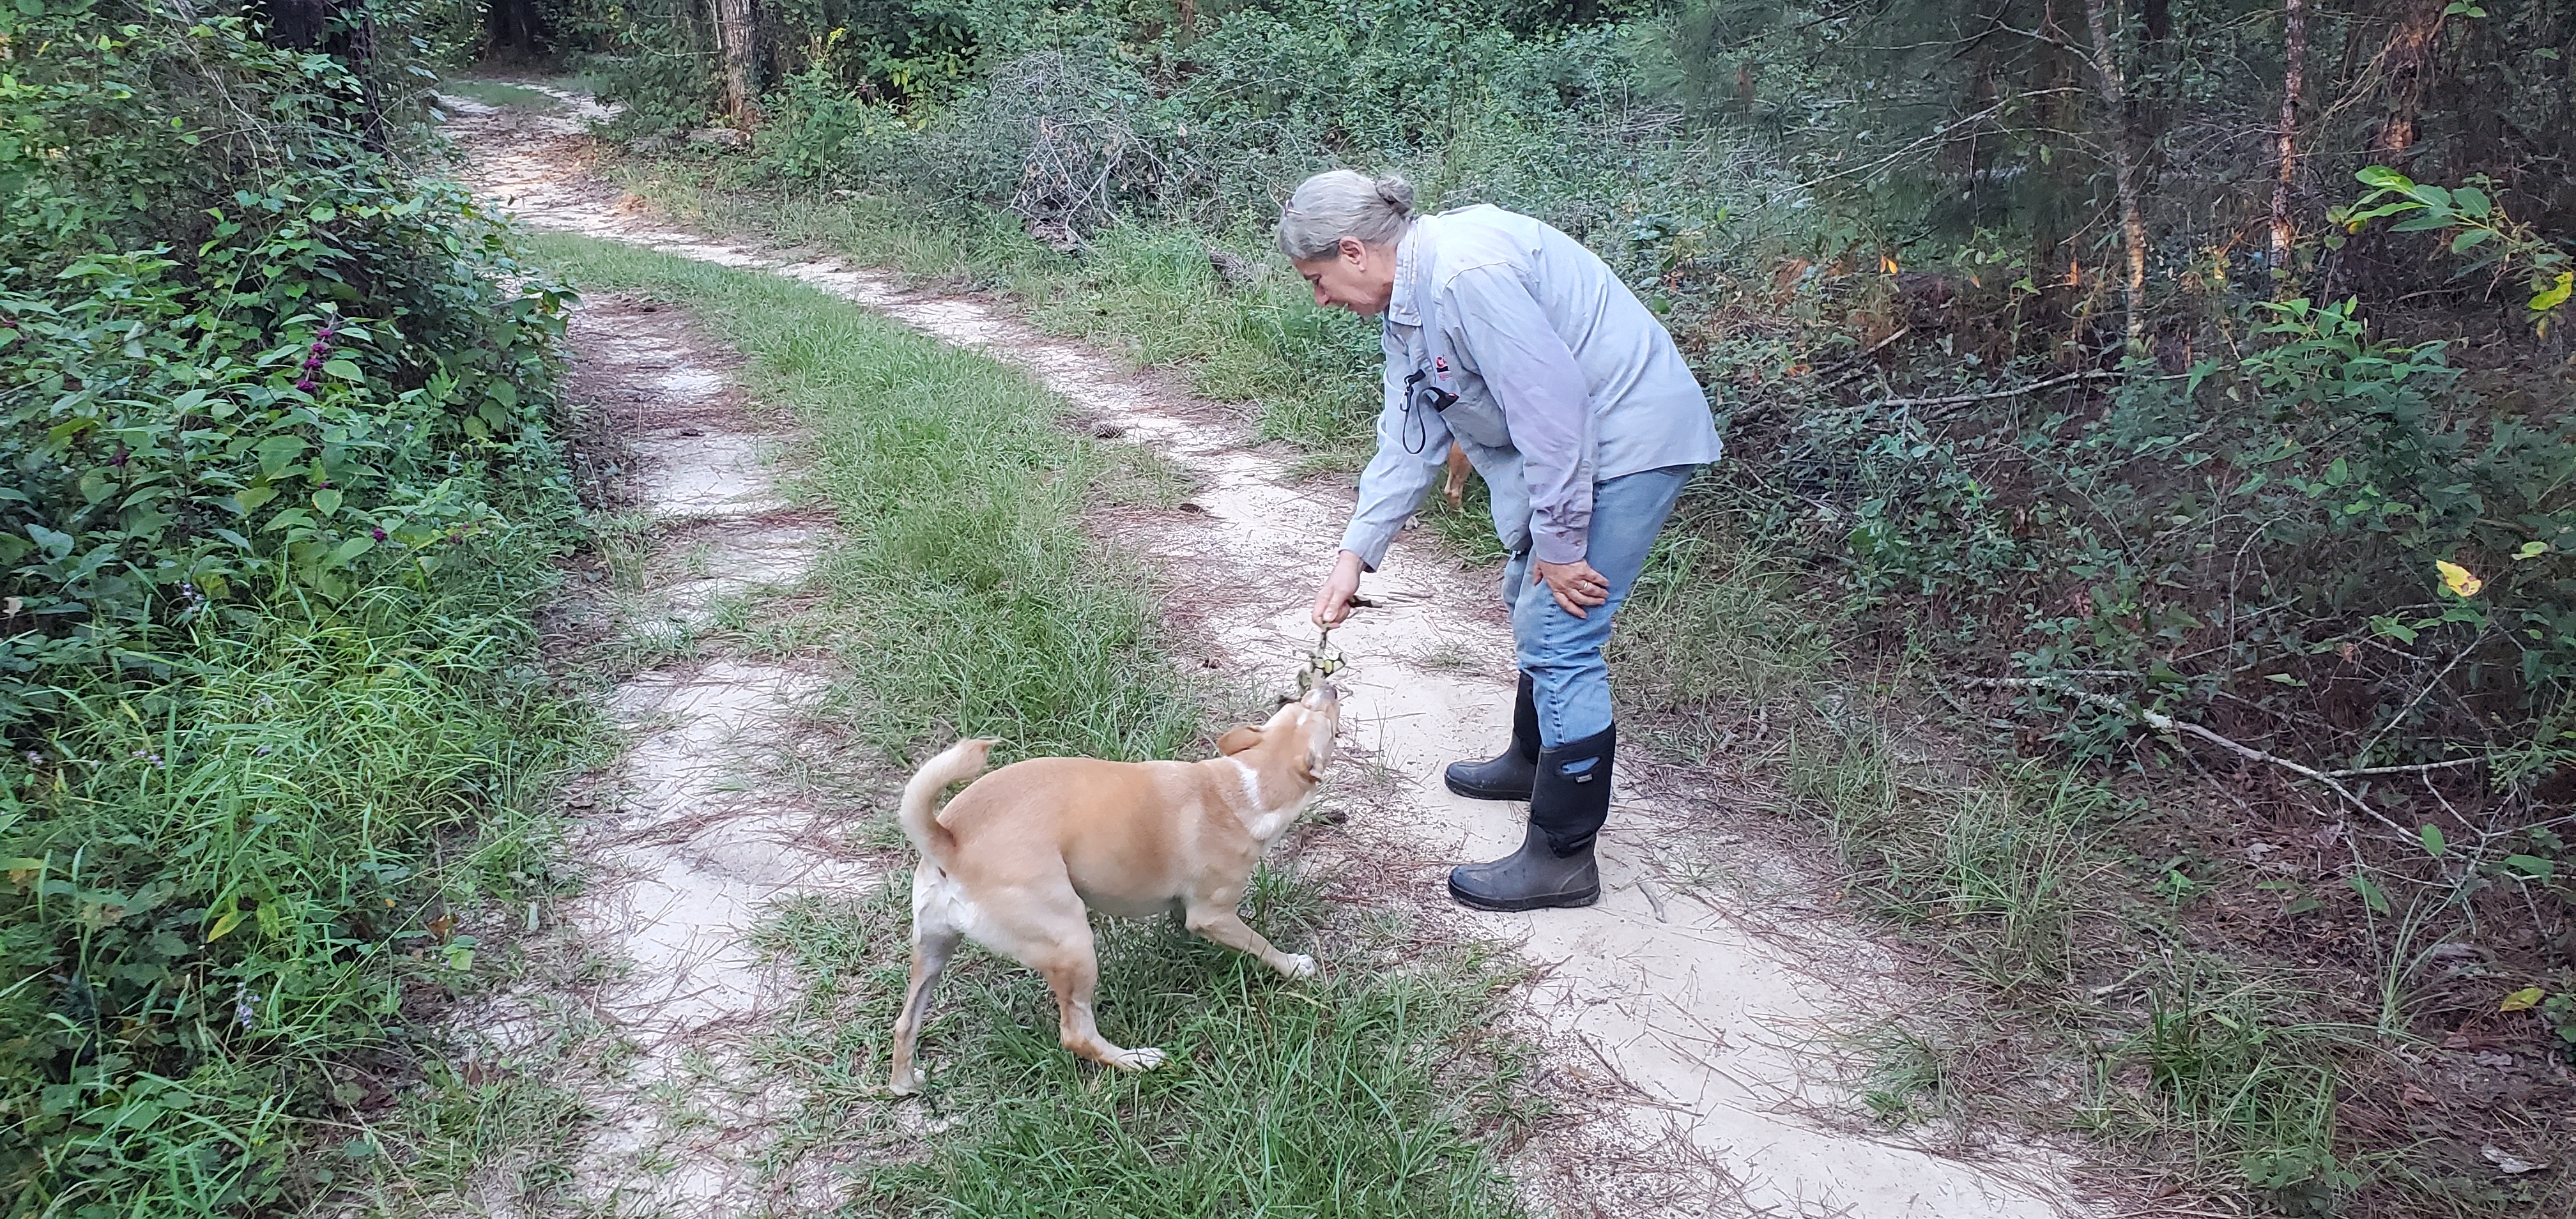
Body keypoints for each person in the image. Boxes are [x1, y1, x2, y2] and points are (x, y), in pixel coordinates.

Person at [1282, 170, 1722, 912]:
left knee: (1562, 630)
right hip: (1585, 441)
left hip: (1628, 439)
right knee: (1530, 598)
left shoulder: (1464, 275)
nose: (1321, 300)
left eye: (1317, 280)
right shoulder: (1409, 305)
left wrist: (1560, 544)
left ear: (1353, 251)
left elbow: (1556, 415)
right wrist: (1354, 555)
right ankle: (1532, 759)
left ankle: (1563, 858)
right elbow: (1409, 438)